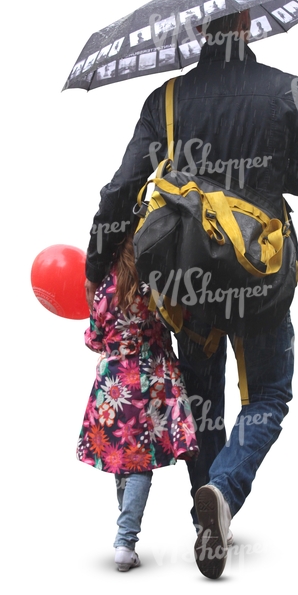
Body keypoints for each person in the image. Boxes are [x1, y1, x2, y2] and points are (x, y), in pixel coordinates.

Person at [84, 8, 298, 579]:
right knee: (269, 393)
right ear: (248, 24)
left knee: (202, 404)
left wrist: (99, 269)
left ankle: (207, 512)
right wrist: (269, 170)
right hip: (263, 276)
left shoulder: (166, 102)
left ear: (201, 30)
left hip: (189, 281)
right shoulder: (287, 90)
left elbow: (121, 190)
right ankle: (223, 488)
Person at [78, 233, 199, 572]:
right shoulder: (155, 283)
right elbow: (180, 320)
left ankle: (124, 539)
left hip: (115, 382)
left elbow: (94, 338)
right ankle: (125, 540)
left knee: (122, 459)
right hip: (153, 378)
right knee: (139, 462)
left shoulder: (102, 287)